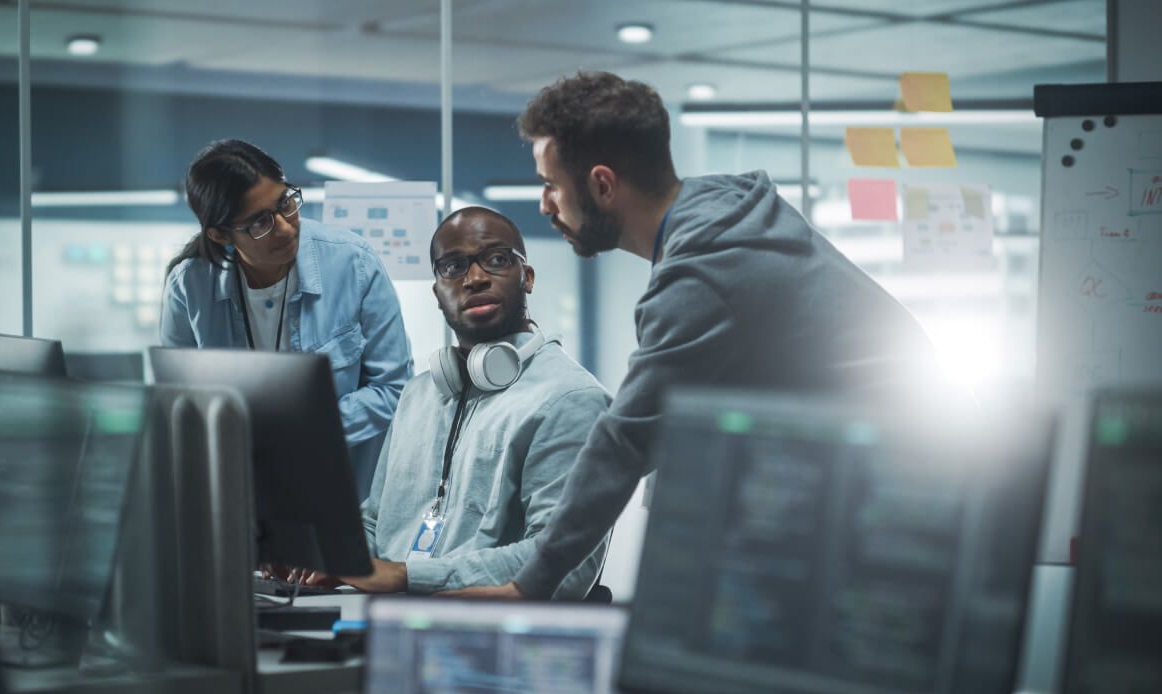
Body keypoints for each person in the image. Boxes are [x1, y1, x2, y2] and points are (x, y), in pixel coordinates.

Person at [454, 71, 938, 600]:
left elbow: (625, 440)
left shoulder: (704, 271)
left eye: (550, 184)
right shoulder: (724, 213)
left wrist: (529, 584)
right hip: (890, 488)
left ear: (601, 185)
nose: (545, 204)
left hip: (901, 511)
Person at [293, 206, 611, 600]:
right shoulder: (418, 394)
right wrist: (325, 555)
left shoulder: (570, 399)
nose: (475, 278)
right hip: (385, 618)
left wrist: (405, 576)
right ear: (437, 292)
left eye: (496, 260)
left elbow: (566, 566)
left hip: (481, 634)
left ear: (526, 277)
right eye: (453, 267)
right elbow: (377, 522)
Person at [160, 139, 412, 498]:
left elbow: (394, 389)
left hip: (347, 494)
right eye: (260, 222)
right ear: (220, 234)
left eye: (285, 203)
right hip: (241, 497)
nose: (286, 227)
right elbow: (179, 406)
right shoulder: (189, 287)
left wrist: (298, 428)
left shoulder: (352, 262)